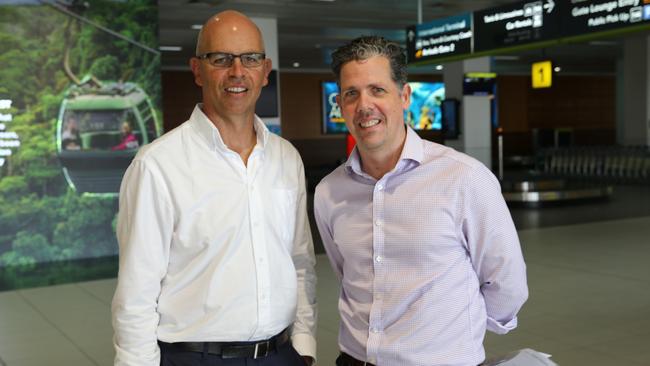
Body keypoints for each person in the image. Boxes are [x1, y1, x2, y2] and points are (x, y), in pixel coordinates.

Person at [112, 10, 316, 366]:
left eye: (250, 59)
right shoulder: (157, 165)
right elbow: (136, 293)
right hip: (197, 358)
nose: (237, 72)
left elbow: (300, 261)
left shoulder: (286, 158)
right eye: (220, 59)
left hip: (281, 355)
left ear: (265, 71)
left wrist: (304, 345)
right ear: (197, 69)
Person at [313, 36, 528, 366]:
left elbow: (506, 282)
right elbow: (349, 276)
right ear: (340, 105)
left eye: (377, 90)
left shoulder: (464, 178)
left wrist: (454, 336)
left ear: (405, 97)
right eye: (351, 94)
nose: (364, 105)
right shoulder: (330, 191)